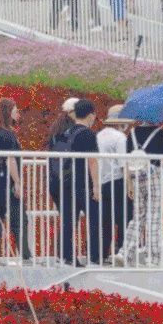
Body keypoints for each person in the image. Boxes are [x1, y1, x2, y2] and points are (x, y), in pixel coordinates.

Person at [116, 120, 163, 266]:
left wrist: (128, 184)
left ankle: (125, 253)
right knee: (154, 217)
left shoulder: (132, 134)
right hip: (155, 176)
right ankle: (153, 259)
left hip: (135, 176)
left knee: (137, 217)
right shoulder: (161, 133)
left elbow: (127, 161)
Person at [0, 98, 33, 262]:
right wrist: (18, 183)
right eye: (15, 110)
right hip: (7, 181)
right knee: (19, 219)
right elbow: (11, 159)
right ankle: (25, 255)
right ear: (7, 112)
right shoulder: (7, 134)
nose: (17, 113)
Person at [59, 99, 103, 265]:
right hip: (83, 182)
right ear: (91, 115)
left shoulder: (66, 132)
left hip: (66, 181)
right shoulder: (88, 134)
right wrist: (96, 186)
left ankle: (68, 257)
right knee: (94, 219)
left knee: (69, 221)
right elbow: (92, 161)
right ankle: (94, 257)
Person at [97, 105, 133, 259]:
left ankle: (102, 254)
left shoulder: (98, 135)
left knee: (106, 221)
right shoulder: (120, 138)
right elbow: (123, 164)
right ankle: (122, 253)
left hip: (102, 182)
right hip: (118, 181)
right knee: (125, 218)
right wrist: (130, 185)